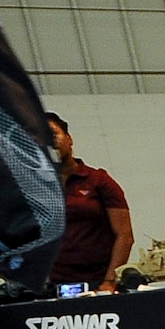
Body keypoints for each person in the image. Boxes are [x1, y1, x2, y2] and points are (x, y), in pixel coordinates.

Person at [45, 114, 133, 291]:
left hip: (99, 281)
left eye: (53, 134)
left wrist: (109, 281)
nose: (50, 142)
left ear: (69, 139)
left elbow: (125, 236)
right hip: (55, 284)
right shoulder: (36, 188)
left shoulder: (99, 180)